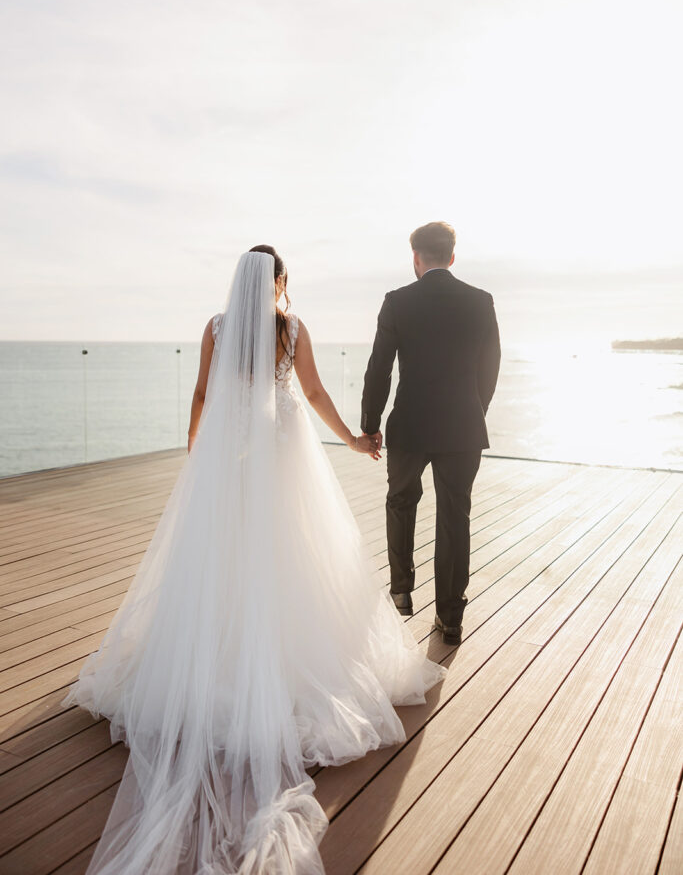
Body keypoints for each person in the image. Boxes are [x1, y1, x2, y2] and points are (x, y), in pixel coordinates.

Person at [63, 245, 446, 875]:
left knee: (226, 562)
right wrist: (351, 438)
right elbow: (315, 391)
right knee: (295, 557)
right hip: (285, 459)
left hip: (232, 463)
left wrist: (196, 458)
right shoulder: (291, 330)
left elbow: (201, 396)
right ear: (280, 283)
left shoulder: (215, 328)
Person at [361, 222, 501, 645]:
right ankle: (450, 617)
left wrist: (369, 425)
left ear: (416, 258)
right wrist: (475, 410)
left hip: (410, 423)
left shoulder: (397, 301)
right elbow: (490, 366)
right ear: (452, 257)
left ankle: (402, 591)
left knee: (401, 502)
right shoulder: (480, 301)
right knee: (455, 515)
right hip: (462, 424)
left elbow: (379, 367)